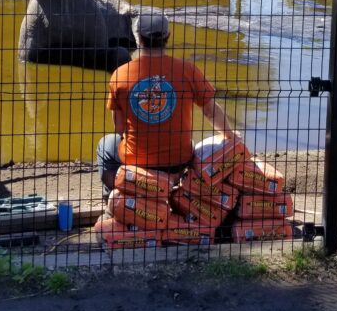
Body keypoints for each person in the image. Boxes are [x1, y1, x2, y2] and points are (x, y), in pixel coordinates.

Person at [96, 13, 238, 197]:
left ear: (138, 38)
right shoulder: (188, 70)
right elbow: (211, 112)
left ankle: (116, 193)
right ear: (167, 37)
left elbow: (120, 128)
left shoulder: (120, 74)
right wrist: (229, 135)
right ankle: (169, 185)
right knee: (189, 141)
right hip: (178, 162)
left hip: (137, 162)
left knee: (106, 144)